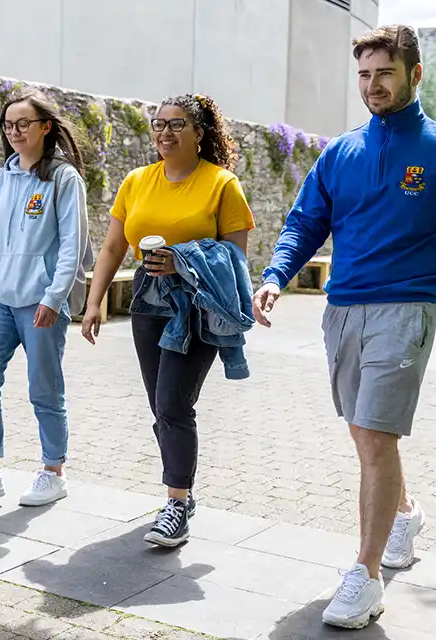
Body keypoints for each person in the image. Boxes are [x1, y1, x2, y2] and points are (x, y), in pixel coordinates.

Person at [252, 25, 436, 629]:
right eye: (364, 75)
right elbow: (304, 222)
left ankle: (364, 577)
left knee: (374, 434)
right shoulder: (340, 153)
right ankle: (406, 514)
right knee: (366, 435)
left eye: (384, 74)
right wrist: (274, 275)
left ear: (414, 74)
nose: (372, 86)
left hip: (406, 308)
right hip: (341, 310)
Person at [81, 93, 255, 547]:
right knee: (161, 407)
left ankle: (176, 502)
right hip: (148, 300)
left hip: (199, 305)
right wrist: (94, 301)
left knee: (174, 405)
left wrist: (185, 263)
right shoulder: (137, 180)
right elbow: (113, 247)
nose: (165, 132)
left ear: (200, 134)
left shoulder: (222, 184)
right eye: (158, 124)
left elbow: (236, 258)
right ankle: (183, 487)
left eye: (177, 124)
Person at [0, 87, 92, 508]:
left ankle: (53, 471)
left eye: (23, 123)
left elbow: (72, 244)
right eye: (8, 125)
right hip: (2, 301)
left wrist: (53, 296)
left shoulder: (64, 179)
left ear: (46, 127)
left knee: (44, 388)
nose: (14, 131)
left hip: (43, 302)